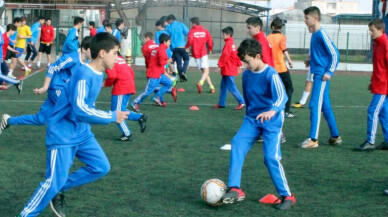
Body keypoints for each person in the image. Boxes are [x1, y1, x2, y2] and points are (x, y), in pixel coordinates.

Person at [14, 32, 128, 217]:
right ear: (102, 53)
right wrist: (111, 116)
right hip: (63, 134)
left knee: (100, 166)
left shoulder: (98, 73)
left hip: (82, 133)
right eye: (115, 53)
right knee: (52, 182)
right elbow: (81, 109)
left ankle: (58, 188)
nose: (118, 57)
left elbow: (85, 108)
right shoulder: (84, 73)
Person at [221, 39, 295, 210]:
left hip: (272, 120)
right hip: (252, 119)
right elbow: (248, 97)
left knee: (270, 157)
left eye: (247, 61)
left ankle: (287, 196)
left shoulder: (271, 74)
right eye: (243, 62)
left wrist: (273, 110)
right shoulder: (247, 74)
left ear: (258, 56)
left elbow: (282, 97)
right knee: (237, 143)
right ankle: (235, 188)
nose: (245, 65)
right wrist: (250, 120)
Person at [0, 37, 93, 136]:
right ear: (83, 49)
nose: (95, 52)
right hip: (57, 89)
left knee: (41, 119)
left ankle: (8, 120)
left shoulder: (87, 63)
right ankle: (76, 138)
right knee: (73, 110)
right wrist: (45, 87)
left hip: (65, 90)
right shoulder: (71, 58)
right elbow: (52, 68)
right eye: (93, 49)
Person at [299, 6, 341, 148]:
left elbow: (335, 54)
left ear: (315, 18)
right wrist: (311, 61)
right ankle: (335, 136)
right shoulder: (315, 34)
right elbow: (321, 55)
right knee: (325, 106)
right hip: (317, 72)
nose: (305, 21)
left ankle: (313, 139)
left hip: (321, 76)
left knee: (314, 104)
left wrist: (329, 72)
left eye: (307, 18)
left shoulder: (321, 34)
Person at [355, 19, 388, 151]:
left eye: (372, 30)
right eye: (369, 30)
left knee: (372, 111)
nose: (370, 33)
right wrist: (372, 81)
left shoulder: (385, 44)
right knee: (383, 114)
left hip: (384, 86)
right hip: (379, 83)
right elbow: (378, 67)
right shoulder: (376, 44)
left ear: (381, 30)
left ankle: (370, 141)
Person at [103, 55, 147, 141]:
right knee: (121, 110)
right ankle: (140, 117)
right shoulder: (120, 58)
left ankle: (127, 134)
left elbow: (112, 76)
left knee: (116, 113)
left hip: (121, 88)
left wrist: (105, 84)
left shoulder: (108, 58)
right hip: (128, 86)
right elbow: (131, 72)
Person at [131, 33, 173, 110]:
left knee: (169, 83)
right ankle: (135, 102)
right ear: (164, 42)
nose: (170, 43)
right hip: (154, 74)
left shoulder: (158, 48)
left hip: (158, 73)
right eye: (169, 41)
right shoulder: (161, 49)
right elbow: (161, 62)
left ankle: (157, 96)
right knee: (148, 91)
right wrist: (169, 60)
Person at [267, 17, 295, 118]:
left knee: (271, 89)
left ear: (272, 27)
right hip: (281, 68)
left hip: (270, 68)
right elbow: (284, 50)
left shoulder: (267, 37)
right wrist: (290, 61)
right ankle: (286, 110)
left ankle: (270, 108)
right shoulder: (282, 37)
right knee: (289, 87)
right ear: (280, 28)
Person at [213, 26, 244, 110]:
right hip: (229, 68)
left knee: (231, 87)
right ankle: (221, 103)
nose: (223, 36)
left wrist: (219, 65)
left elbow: (225, 56)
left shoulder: (228, 44)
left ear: (229, 35)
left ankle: (241, 101)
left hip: (228, 69)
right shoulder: (232, 43)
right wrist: (239, 65)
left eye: (224, 34)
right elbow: (235, 55)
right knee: (223, 86)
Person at [185, 17, 215, 94]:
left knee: (204, 72)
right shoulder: (205, 31)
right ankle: (200, 83)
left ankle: (211, 87)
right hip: (203, 53)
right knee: (206, 71)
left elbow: (189, 41)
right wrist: (210, 48)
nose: (191, 25)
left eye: (192, 23)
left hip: (196, 55)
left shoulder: (191, 31)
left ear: (194, 23)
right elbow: (210, 40)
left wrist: (186, 47)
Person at [0, 24, 23, 94]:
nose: (14, 33)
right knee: (5, 71)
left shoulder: (2, 35)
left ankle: (16, 82)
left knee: (3, 72)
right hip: (1, 57)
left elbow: (3, 44)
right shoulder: (3, 35)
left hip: (1, 57)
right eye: (13, 31)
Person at [166, 14, 190, 82]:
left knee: (179, 62)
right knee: (186, 59)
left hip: (175, 48)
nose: (168, 22)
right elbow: (188, 33)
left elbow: (167, 37)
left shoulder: (169, 27)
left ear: (171, 20)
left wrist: (170, 47)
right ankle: (183, 72)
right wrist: (189, 45)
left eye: (168, 21)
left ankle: (181, 77)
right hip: (182, 46)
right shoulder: (181, 25)